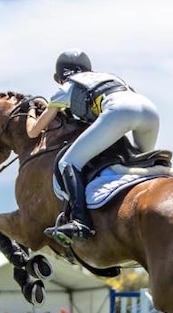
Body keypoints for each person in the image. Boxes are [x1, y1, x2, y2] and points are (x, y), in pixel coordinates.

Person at [26, 50, 160, 241]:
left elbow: (33, 131)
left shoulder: (65, 88)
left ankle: (80, 223)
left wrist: (31, 108)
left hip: (119, 111)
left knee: (68, 163)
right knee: (146, 165)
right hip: (149, 110)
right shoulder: (107, 77)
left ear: (60, 78)